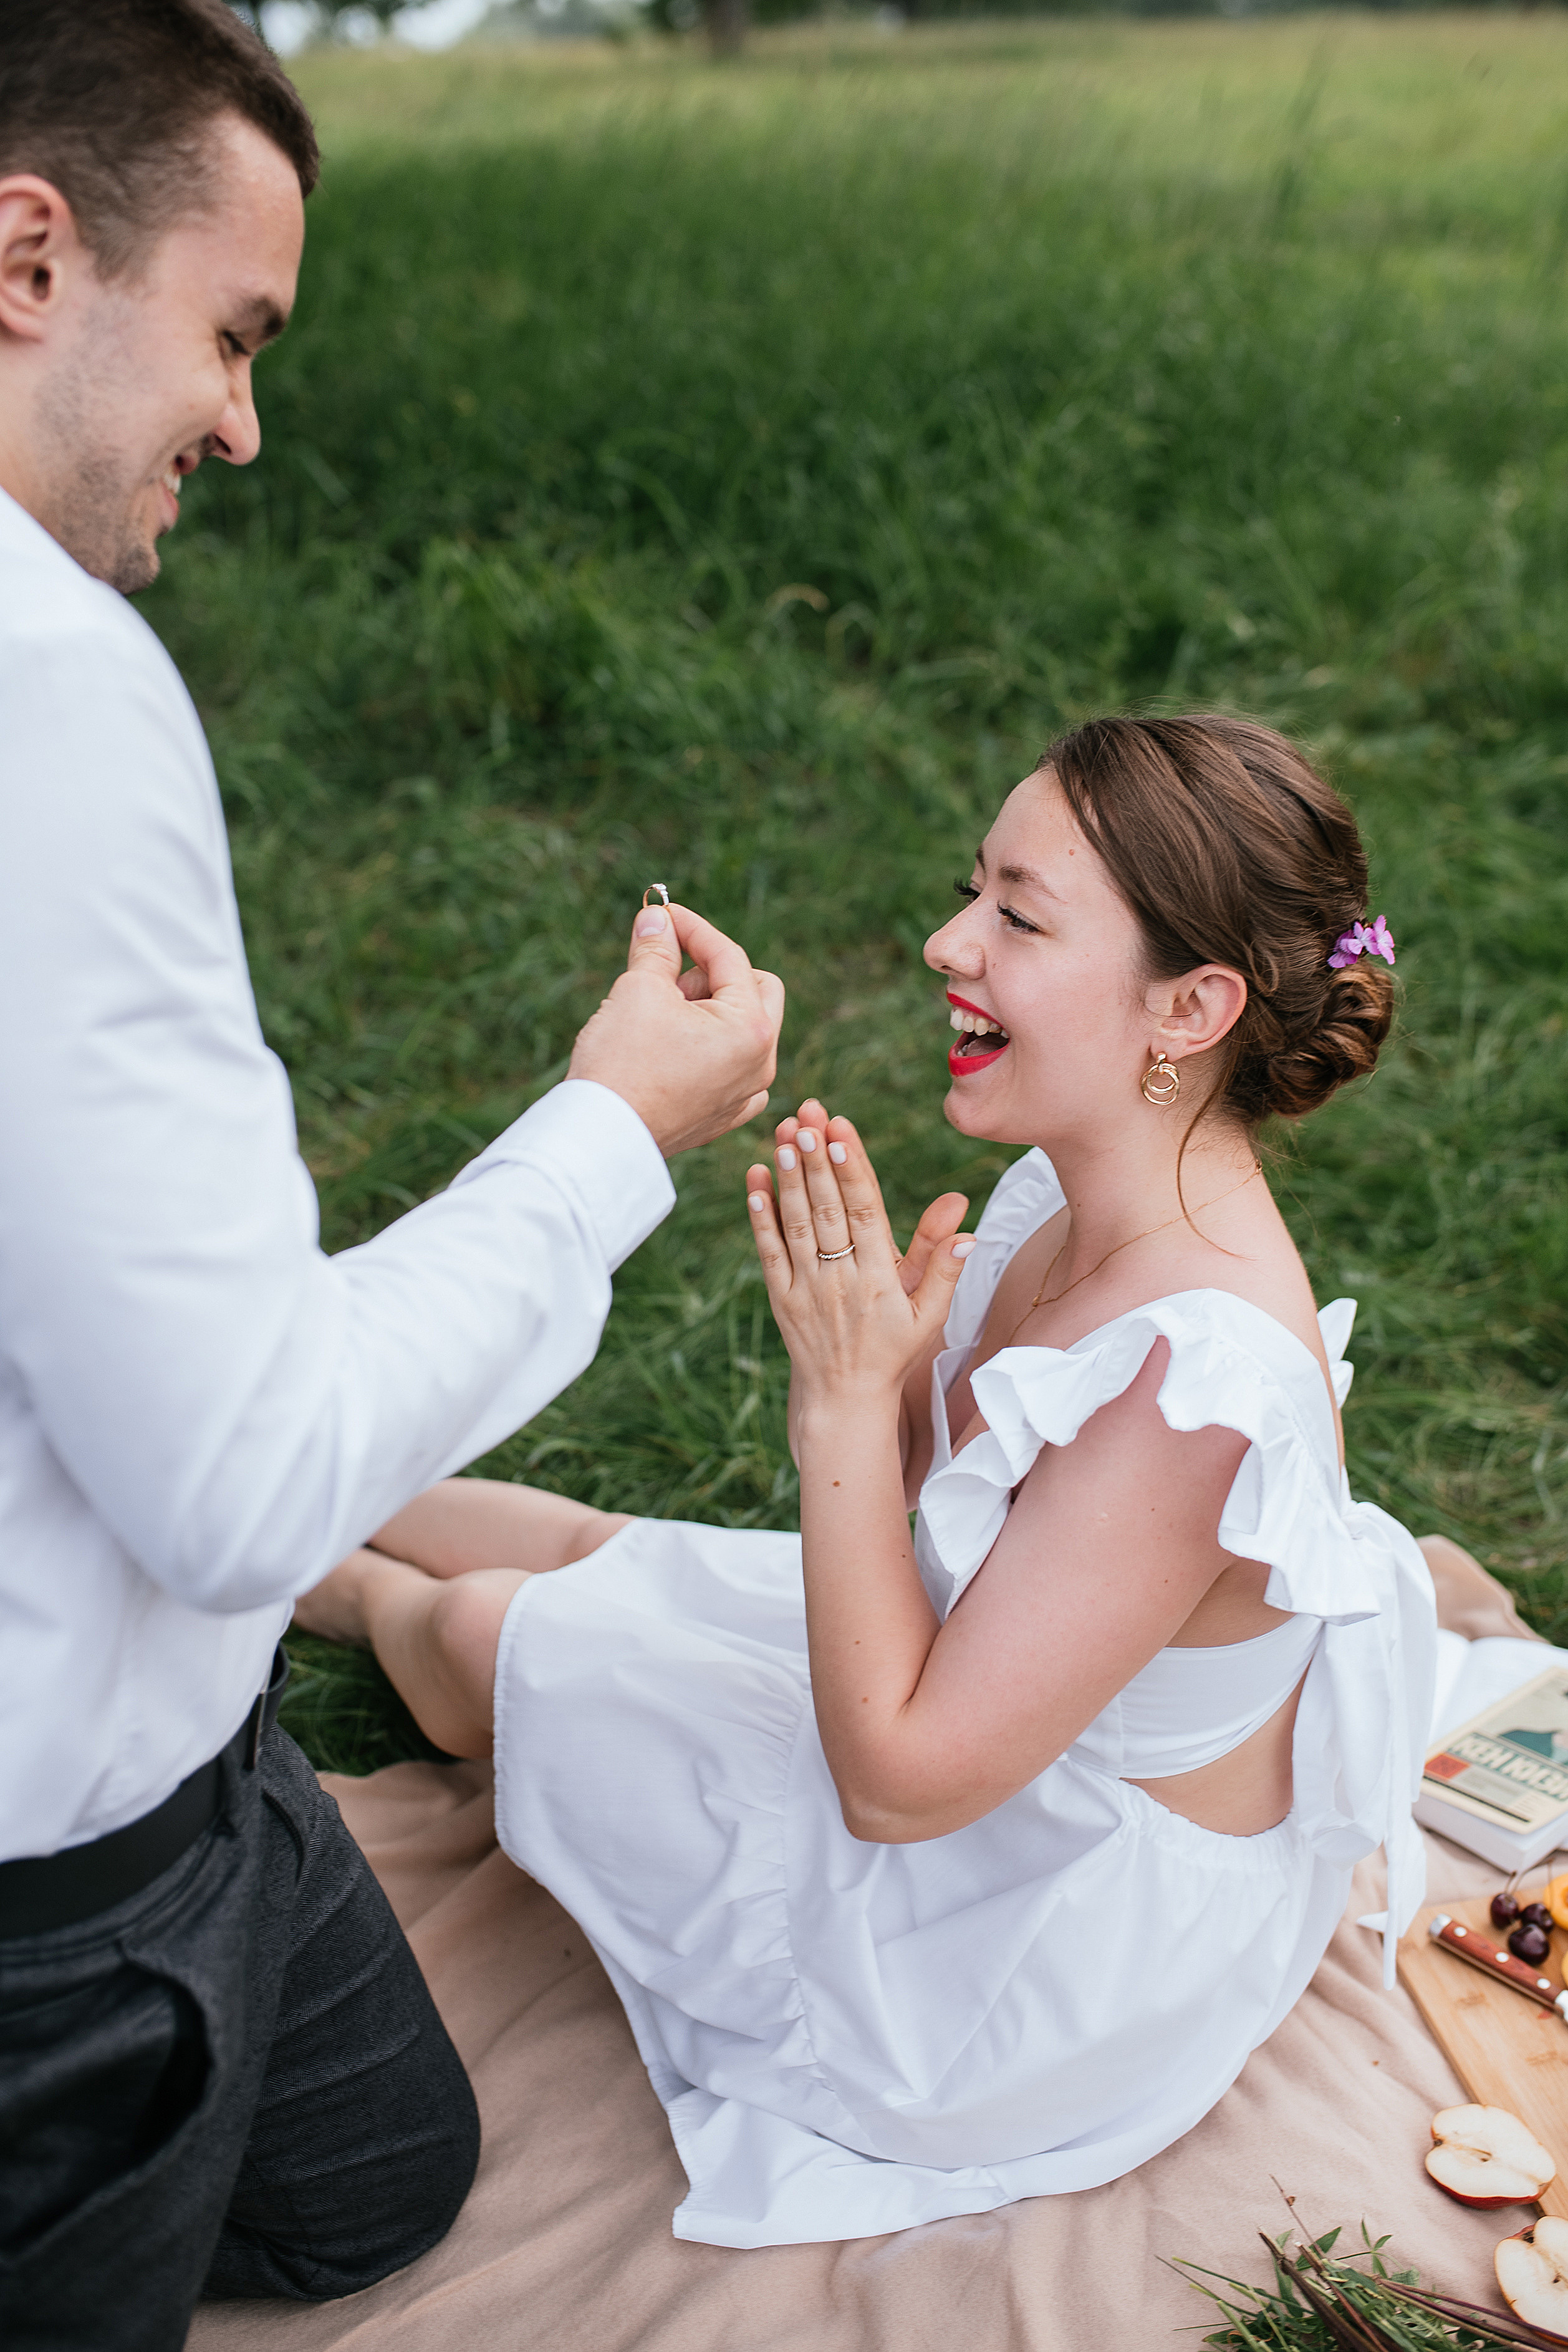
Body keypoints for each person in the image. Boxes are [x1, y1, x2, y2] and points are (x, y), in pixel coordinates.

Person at [0, 4, 781, 2344]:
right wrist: (612, 1128)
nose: (245, 418)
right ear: (27, 252)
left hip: (199, 1761)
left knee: (383, 2183)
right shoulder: (49, 693)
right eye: (233, 333)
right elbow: (238, 1482)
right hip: (58, 1913)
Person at [297, 713, 1440, 2249]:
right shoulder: (1072, 1188)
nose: (943, 940)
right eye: (975, 889)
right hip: (992, 1730)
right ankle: (284, 1440)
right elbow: (967, 1520)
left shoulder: (1194, 1387)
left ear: (1191, 1003)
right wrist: (897, 1384)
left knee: (489, 1629)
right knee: (599, 1548)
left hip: (1015, 1951)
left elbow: (897, 1785)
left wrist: (840, 1416)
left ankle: (307, 1576)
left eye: (1017, 917)